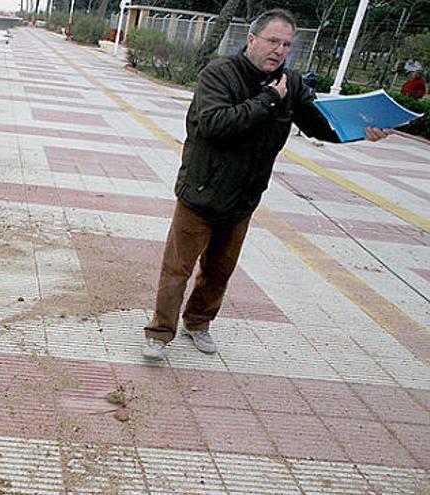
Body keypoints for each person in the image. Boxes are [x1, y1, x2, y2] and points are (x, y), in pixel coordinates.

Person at [142, 8, 390, 360]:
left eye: (287, 44)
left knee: (219, 271)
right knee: (177, 269)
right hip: (201, 193)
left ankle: (198, 323)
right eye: (273, 41)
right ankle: (159, 332)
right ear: (252, 39)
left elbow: (321, 123)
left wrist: (360, 132)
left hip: (244, 198)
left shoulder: (292, 82)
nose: (279, 50)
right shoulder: (220, 74)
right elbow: (216, 125)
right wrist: (269, 99)